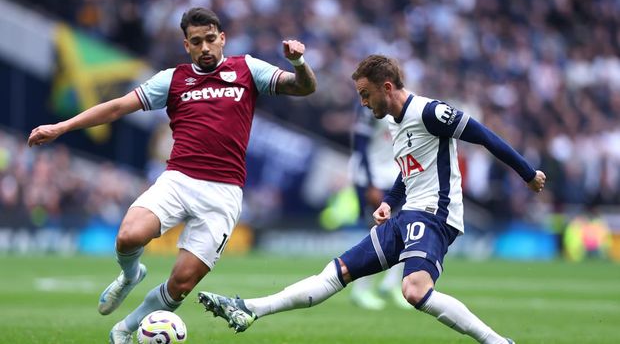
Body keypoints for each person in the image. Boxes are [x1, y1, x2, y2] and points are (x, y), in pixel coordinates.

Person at [197, 54, 546, 344]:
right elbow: (408, 170)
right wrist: (390, 203)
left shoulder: (429, 112)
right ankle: (250, 308)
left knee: (414, 290)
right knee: (337, 272)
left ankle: (497, 342)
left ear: (387, 87)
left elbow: (485, 136)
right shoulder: (395, 122)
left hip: (433, 214)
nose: (363, 102)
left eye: (366, 94)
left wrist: (528, 173)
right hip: (408, 212)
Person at [27, 7, 317, 344]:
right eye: (197, 42)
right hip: (178, 180)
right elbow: (119, 106)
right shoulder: (173, 79)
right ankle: (131, 275)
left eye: (211, 39)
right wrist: (62, 127)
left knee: (181, 283)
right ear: (187, 46)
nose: (205, 47)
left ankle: (125, 328)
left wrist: (298, 62)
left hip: (223, 194)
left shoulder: (247, 68)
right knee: (128, 236)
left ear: (222, 38)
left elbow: (303, 87)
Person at [348, 103, 408, 310]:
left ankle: (391, 284)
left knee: (405, 230)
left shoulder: (401, 106)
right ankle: (360, 290)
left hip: (391, 175)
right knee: (376, 234)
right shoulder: (368, 109)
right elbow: (360, 147)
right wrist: (370, 184)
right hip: (369, 177)